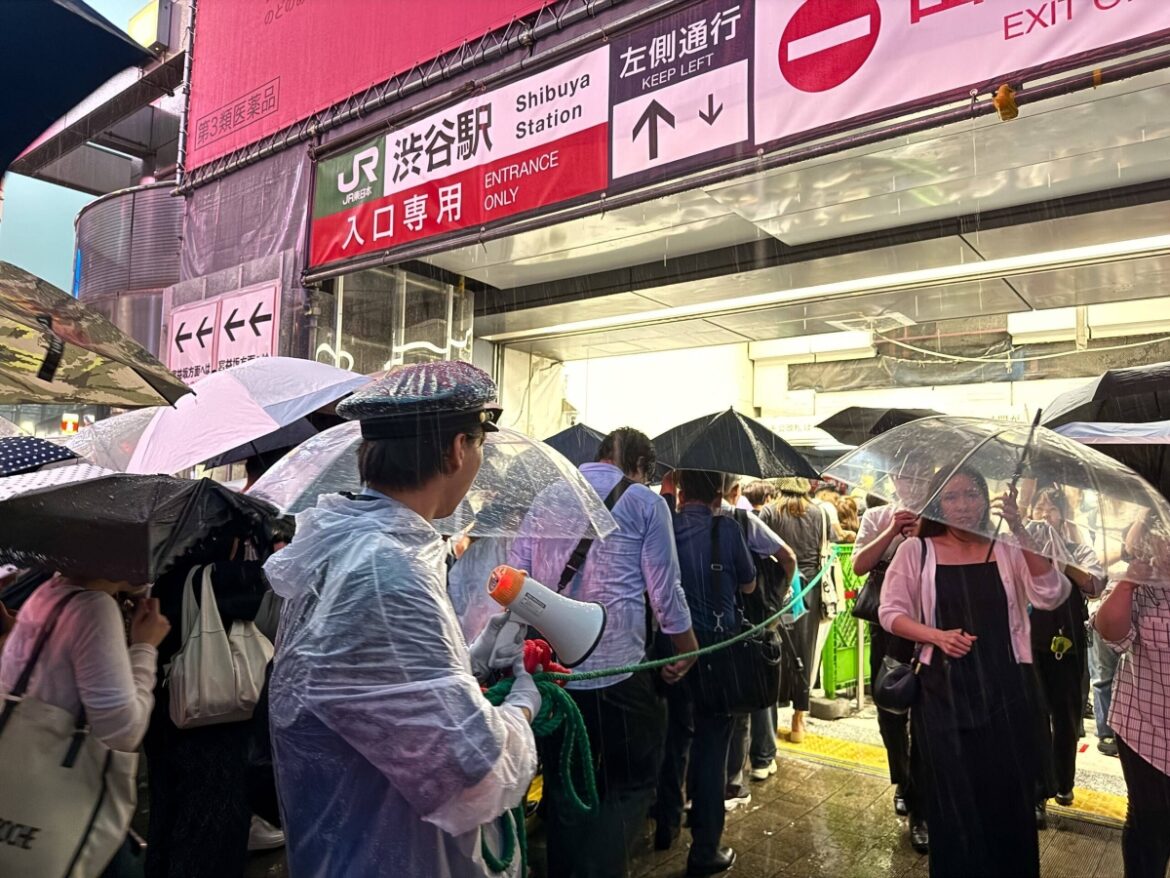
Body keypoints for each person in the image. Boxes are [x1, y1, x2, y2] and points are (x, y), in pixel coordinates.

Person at [265, 362, 541, 877]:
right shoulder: (386, 570)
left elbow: (376, 689)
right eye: (480, 443)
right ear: (457, 449)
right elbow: (474, 774)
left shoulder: (356, 545)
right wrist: (524, 706)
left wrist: (470, 662)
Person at [509, 427, 697, 878]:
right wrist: (686, 646)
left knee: (566, 785)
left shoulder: (548, 497)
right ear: (641, 466)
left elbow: (516, 577)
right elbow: (664, 589)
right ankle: (599, 868)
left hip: (554, 675)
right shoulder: (645, 503)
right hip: (619, 673)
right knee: (631, 781)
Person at [879, 466, 1070, 878]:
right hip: (943, 692)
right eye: (951, 497)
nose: (963, 505)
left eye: (971, 494)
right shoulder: (916, 551)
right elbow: (890, 613)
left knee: (1009, 798)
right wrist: (936, 636)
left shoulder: (1007, 548)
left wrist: (1019, 527)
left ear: (986, 499)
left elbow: (1051, 594)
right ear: (936, 504)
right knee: (953, 802)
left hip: (1007, 690)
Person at [0, 573, 170, 877]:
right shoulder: (95, 608)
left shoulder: (48, 592)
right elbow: (122, 731)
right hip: (67, 806)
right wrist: (145, 647)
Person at [143, 521, 286, 876]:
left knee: (167, 818)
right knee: (213, 831)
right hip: (217, 727)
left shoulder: (164, 578)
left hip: (166, 714)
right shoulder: (227, 579)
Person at [654, 469, 756, 876]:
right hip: (717, 652)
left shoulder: (665, 526)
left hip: (671, 648)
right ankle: (705, 848)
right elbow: (748, 585)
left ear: (680, 494)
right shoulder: (728, 529)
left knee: (674, 736)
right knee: (713, 745)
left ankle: (666, 824)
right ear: (718, 494)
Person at [852, 475, 928, 853]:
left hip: (930, 626)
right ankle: (903, 780)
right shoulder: (877, 516)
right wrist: (892, 532)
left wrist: (923, 536)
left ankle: (921, 808)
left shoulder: (940, 517)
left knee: (927, 715)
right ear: (895, 478)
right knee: (890, 710)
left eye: (921, 472)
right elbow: (859, 566)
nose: (912, 480)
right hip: (888, 627)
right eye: (905, 473)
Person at [1093, 532, 1170, 878]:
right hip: (1144, 725)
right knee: (1148, 821)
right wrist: (1128, 584)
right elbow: (1110, 633)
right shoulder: (1140, 577)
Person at [1026, 487, 1106, 820]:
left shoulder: (1079, 550)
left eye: (1053, 509)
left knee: (1066, 715)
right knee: (1034, 716)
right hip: (1030, 642)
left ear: (1064, 515)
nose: (1046, 514)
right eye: (1040, 508)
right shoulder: (1024, 548)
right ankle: (1038, 790)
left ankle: (1063, 782)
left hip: (1067, 643)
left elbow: (1094, 585)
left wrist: (1061, 556)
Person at [718, 477, 795, 803]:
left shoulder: (676, 518)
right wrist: (773, 604)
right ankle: (737, 780)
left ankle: (707, 786)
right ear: (735, 491)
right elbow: (787, 558)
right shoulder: (741, 520)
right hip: (745, 625)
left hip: (697, 630)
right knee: (746, 700)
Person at [759, 477, 831, 744]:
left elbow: (760, 550)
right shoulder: (819, 513)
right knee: (804, 651)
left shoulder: (769, 512)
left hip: (777, 588)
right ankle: (799, 719)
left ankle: (771, 718)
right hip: (808, 589)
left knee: (773, 648)